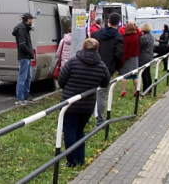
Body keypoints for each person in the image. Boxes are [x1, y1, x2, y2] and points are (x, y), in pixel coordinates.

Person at [58, 38, 110, 167]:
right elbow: (105, 83)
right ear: (97, 49)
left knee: (69, 131)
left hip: (70, 103)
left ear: (83, 47)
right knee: (80, 131)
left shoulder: (72, 62)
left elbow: (61, 81)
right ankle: (80, 160)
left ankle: (71, 162)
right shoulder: (101, 65)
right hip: (87, 105)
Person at [92, 12, 124, 126]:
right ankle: (100, 120)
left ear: (108, 21)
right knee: (101, 94)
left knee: (89, 92)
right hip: (107, 69)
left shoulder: (96, 34)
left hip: (93, 66)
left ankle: (87, 116)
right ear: (118, 23)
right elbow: (119, 54)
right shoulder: (118, 37)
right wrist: (115, 67)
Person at [12, 13, 35, 105]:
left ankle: (26, 96)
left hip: (27, 57)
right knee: (22, 77)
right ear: (27, 20)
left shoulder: (25, 28)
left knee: (28, 76)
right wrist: (30, 52)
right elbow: (22, 45)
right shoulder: (22, 29)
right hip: (24, 57)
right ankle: (19, 98)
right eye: (31, 19)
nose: (32, 21)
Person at [119, 23, 140, 97]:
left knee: (124, 75)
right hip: (135, 58)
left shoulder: (125, 39)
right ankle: (136, 90)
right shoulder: (136, 37)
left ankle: (123, 90)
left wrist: (122, 61)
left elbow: (125, 50)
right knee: (134, 76)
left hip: (128, 58)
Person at [139, 23, 154, 95]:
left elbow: (139, 47)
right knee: (148, 73)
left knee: (144, 74)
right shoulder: (151, 36)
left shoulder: (143, 38)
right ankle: (150, 88)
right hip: (149, 56)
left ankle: (145, 89)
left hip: (143, 57)